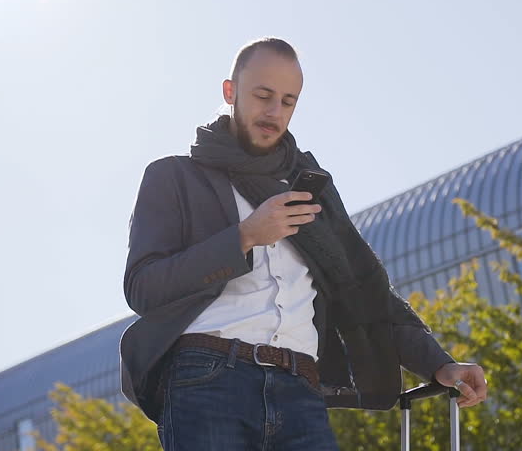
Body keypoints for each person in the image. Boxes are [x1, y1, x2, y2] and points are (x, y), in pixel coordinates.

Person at [120, 37, 488, 450]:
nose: (274, 112)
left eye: (288, 101)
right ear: (230, 92)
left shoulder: (310, 188)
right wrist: (244, 237)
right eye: (263, 96)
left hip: (300, 388)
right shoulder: (175, 177)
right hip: (207, 378)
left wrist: (439, 364)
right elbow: (143, 288)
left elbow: (365, 294)